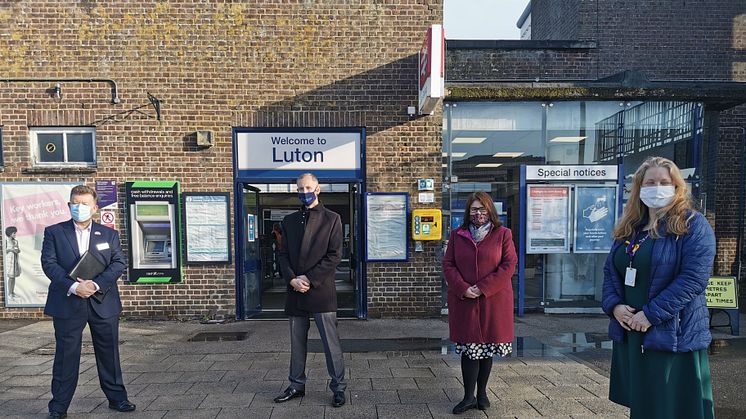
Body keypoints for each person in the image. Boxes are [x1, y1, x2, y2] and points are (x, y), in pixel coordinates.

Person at [602, 157, 715, 419]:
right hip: (633, 331)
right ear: (639, 188)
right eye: (650, 182)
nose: (657, 187)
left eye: (665, 182)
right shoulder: (631, 228)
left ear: (677, 187)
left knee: (671, 405)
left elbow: (693, 279)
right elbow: (610, 272)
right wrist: (615, 306)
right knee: (645, 403)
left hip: (671, 333)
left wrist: (650, 314)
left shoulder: (693, 225)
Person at [41, 185, 135, 419]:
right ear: (69, 205)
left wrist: (95, 285)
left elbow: (118, 264)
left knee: (109, 353)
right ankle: (58, 407)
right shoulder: (54, 232)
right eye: (75, 203)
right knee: (66, 355)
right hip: (68, 302)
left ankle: (118, 399)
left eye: (84, 204)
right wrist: (75, 286)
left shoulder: (109, 234)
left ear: (94, 207)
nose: (79, 207)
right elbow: (49, 264)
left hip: (103, 303)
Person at [274, 173, 346, 408]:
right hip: (295, 290)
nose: (303, 191)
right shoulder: (289, 220)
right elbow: (282, 255)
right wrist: (292, 279)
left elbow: (335, 256)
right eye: (300, 188)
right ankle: (296, 384)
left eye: (308, 187)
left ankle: (338, 388)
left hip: (321, 291)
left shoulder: (332, 219)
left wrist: (309, 278)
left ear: (317, 189)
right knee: (297, 344)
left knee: (330, 344)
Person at [442, 192, 517, 414]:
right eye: (474, 209)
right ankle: (468, 397)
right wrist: (463, 288)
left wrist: (482, 288)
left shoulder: (503, 234)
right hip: (465, 301)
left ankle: (482, 394)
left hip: (492, 301)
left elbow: (508, 265)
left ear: (490, 210)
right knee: (469, 349)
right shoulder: (457, 235)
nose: (478, 213)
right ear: (468, 212)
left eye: (482, 209)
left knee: (487, 349)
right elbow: (448, 264)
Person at [5, 226, 21, 299]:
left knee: (13, 277)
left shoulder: (15, 241)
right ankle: (9, 293)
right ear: (9, 233)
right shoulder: (6, 241)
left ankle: (12, 292)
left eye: (15, 233)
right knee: (10, 278)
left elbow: (18, 249)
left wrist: (17, 250)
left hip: (15, 261)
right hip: (9, 261)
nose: (15, 234)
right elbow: (4, 251)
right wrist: (11, 250)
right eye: (14, 233)